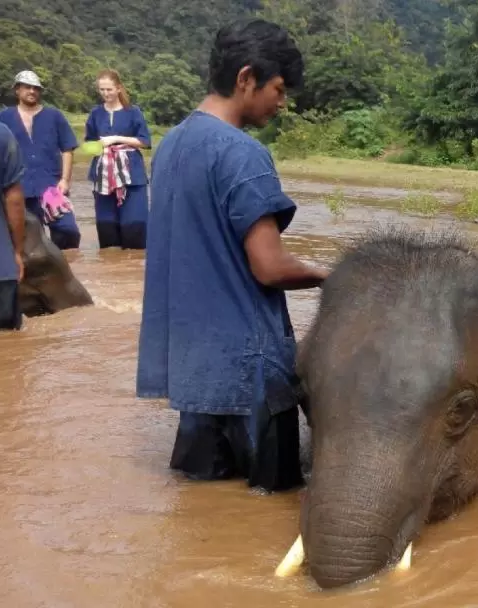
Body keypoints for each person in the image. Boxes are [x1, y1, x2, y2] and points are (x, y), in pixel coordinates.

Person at [135, 19, 329, 492]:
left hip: (195, 374)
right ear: (246, 78)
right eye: (278, 89)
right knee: (271, 507)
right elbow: (269, 266)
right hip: (252, 375)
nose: (282, 103)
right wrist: (335, 274)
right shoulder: (242, 154)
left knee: (204, 513)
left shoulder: (170, 145)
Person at [0, 70, 82, 250]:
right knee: (29, 240)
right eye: (27, 87)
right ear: (17, 90)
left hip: (51, 187)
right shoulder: (3, 118)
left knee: (68, 231)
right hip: (19, 189)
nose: (32, 91)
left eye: (36, 88)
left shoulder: (54, 116)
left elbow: (67, 149)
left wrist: (65, 180)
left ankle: (68, 270)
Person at [84, 69, 152, 249]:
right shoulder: (95, 113)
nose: (105, 94)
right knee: (107, 228)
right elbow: (88, 144)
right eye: (102, 90)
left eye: (109, 89)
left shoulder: (134, 112)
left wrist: (115, 139)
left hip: (131, 175)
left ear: (119, 89)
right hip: (103, 176)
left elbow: (145, 142)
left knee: (135, 225)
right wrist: (99, 147)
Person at [0, 121, 26, 331]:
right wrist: (17, 251)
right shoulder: (1, 133)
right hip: (0, 267)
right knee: (8, 345)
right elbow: (14, 200)